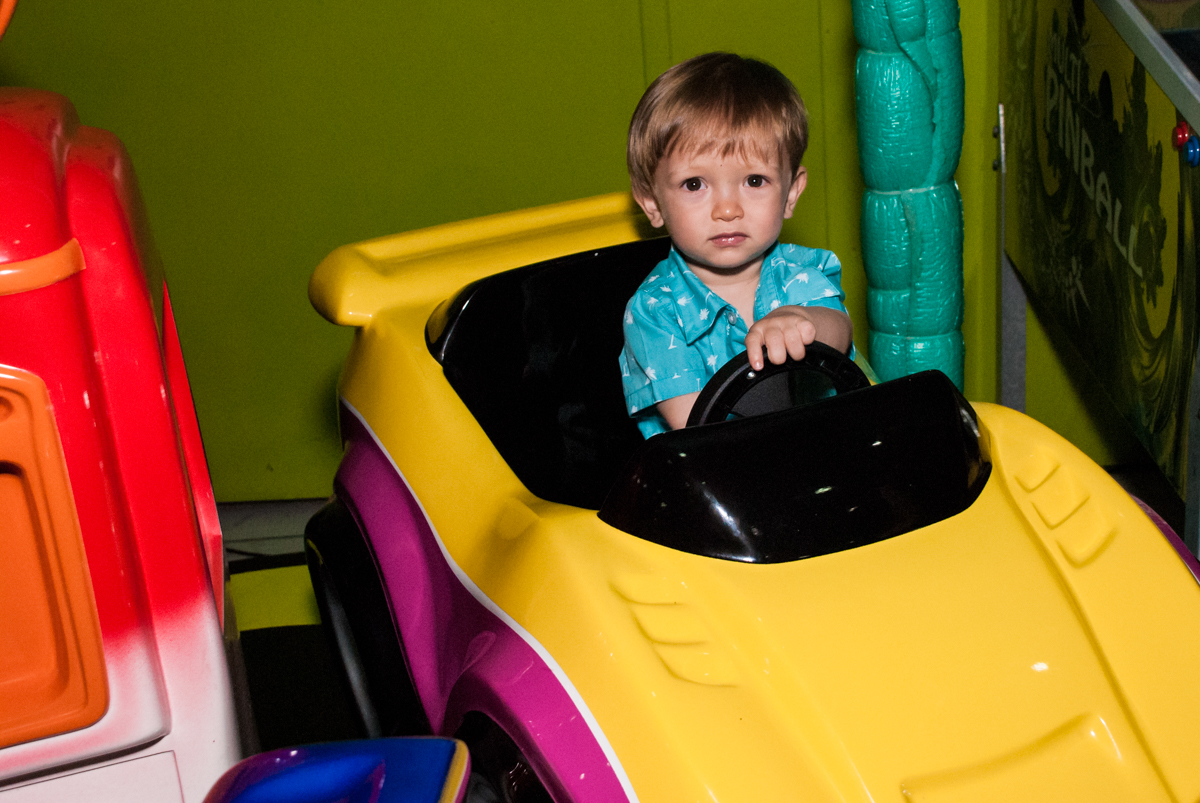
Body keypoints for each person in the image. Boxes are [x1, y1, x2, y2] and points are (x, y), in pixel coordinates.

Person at [620, 52, 854, 438]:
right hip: (709, 474)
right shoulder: (654, 312)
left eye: (755, 181)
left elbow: (839, 333)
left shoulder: (800, 273)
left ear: (791, 193)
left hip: (818, 455)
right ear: (651, 203)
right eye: (694, 184)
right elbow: (697, 426)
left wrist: (804, 323)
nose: (727, 209)